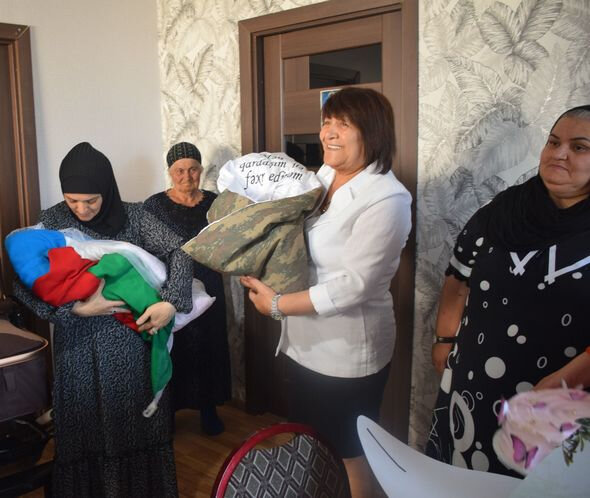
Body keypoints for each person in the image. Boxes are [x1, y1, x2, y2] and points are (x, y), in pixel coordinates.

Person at [240, 87, 412, 498]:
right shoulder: (323, 177)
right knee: (312, 438)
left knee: (350, 451)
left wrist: (277, 305)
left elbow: (356, 285)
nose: (328, 133)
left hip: (346, 351)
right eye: (327, 122)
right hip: (303, 343)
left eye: (343, 125)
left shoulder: (387, 198)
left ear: (372, 132)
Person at [12, 142, 194, 497]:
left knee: (134, 423)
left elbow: (181, 250)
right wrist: (72, 310)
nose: (81, 209)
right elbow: (24, 282)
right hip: (77, 347)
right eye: (72, 200)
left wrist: (171, 303)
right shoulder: (52, 220)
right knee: (84, 427)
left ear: (107, 191)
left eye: (91, 201)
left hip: (130, 346)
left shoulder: (135, 216)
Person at [427, 105, 590, 477]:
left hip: (559, 402)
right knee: (464, 477)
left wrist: (570, 379)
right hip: (473, 386)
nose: (560, 153)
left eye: (579, 147)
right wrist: (444, 340)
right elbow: (458, 279)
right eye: (554, 142)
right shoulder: (501, 212)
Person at [144, 142, 231, 435]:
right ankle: (168, 412)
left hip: (210, 282)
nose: (187, 176)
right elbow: (146, 247)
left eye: (193, 169)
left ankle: (209, 409)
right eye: (179, 170)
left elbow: (227, 240)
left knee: (209, 345)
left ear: (201, 170)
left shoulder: (215, 202)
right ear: (170, 172)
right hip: (172, 286)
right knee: (173, 346)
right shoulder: (154, 206)